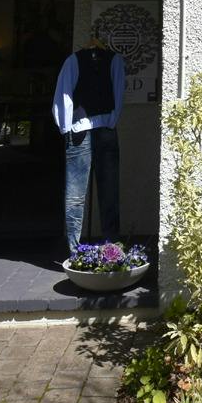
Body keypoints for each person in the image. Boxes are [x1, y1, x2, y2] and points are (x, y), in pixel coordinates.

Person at [52, 41, 124, 254]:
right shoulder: (108, 61)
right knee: (102, 190)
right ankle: (106, 246)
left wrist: (66, 126)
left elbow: (63, 93)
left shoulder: (82, 61)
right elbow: (118, 94)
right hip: (94, 129)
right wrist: (110, 121)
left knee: (92, 192)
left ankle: (82, 249)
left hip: (84, 128)